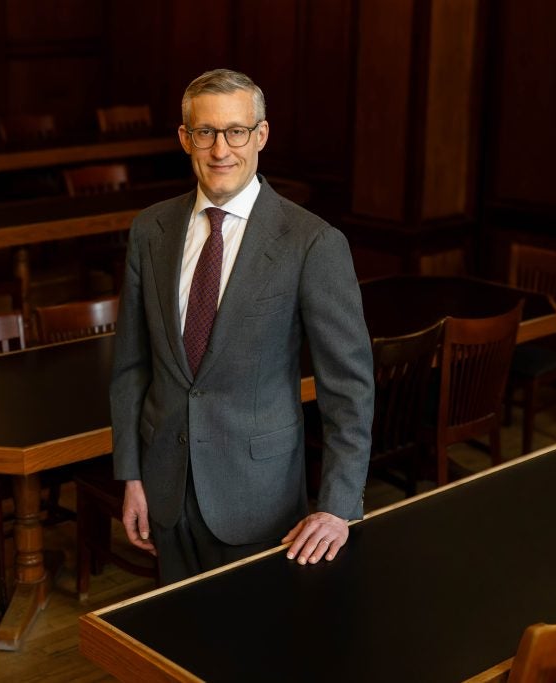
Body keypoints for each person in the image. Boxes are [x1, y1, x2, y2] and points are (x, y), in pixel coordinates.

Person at [110, 68, 374, 584]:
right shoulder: (149, 230)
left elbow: (349, 389)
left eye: (237, 131)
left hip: (261, 500)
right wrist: (132, 474)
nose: (221, 149)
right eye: (206, 132)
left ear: (261, 136)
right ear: (185, 138)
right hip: (165, 490)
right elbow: (131, 367)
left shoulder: (312, 243)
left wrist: (339, 506)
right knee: (179, 646)